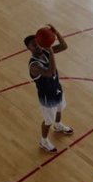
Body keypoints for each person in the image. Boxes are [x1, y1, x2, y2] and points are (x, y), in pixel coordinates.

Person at [24, 25, 73, 153]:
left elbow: (64, 46)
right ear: (29, 49)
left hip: (56, 88)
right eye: (34, 45)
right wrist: (50, 51)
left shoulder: (45, 51)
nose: (37, 46)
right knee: (47, 121)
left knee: (59, 109)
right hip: (46, 96)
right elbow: (50, 72)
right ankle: (44, 141)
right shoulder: (34, 65)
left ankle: (58, 125)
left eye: (38, 43)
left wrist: (56, 34)